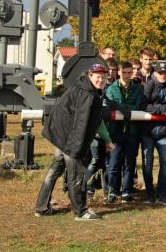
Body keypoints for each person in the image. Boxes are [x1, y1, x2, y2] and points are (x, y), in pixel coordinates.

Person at [35, 63, 114, 220]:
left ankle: (41, 207)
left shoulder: (85, 88)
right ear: (90, 76)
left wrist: (107, 139)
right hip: (70, 139)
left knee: (55, 170)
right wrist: (77, 150)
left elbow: (95, 120)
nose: (101, 79)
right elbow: (81, 123)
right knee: (77, 174)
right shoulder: (87, 94)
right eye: (98, 76)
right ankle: (81, 211)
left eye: (103, 77)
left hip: (62, 136)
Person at [141, 61, 166, 206]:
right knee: (147, 163)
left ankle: (161, 193)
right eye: (160, 72)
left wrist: (159, 108)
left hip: (164, 132)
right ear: (155, 73)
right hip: (147, 132)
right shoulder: (149, 84)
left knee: (165, 162)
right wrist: (162, 110)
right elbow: (144, 105)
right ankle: (149, 193)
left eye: (165, 72)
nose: (163, 75)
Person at [104, 61, 141, 203]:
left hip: (131, 131)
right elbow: (109, 104)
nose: (126, 75)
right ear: (118, 72)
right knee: (113, 164)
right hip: (115, 132)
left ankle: (126, 191)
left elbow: (137, 105)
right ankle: (113, 191)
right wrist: (122, 108)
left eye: (129, 73)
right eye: (124, 72)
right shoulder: (112, 88)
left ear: (132, 73)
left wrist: (120, 107)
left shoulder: (138, 88)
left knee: (129, 163)